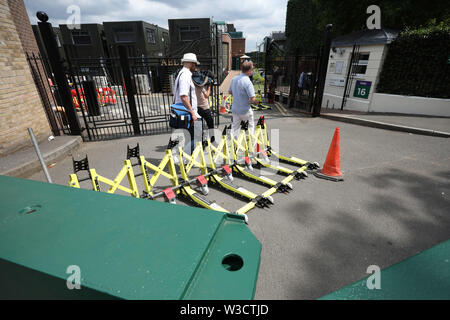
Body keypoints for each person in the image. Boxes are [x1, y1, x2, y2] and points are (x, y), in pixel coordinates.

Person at [173, 53, 202, 154]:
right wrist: (193, 113)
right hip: (188, 113)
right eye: (195, 63)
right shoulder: (185, 75)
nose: (196, 66)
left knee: (189, 137)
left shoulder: (181, 74)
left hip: (184, 112)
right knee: (196, 137)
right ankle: (188, 159)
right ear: (191, 63)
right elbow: (183, 96)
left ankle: (187, 158)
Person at [229, 60, 256, 138]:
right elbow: (252, 98)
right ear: (249, 70)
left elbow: (230, 92)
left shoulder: (234, 79)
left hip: (235, 109)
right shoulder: (248, 82)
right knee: (250, 128)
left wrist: (237, 95)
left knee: (234, 129)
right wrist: (255, 102)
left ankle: (233, 146)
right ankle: (249, 145)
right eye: (252, 69)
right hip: (245, 110)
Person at [193, 68, 215, 143]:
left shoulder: (193, 85)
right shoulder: (201, 86)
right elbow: (207, 95)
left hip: (197, 108)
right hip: (205, 108)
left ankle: (201, 141)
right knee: (210, 125)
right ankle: (212, 140)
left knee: (200, 126)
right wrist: (209, 86)